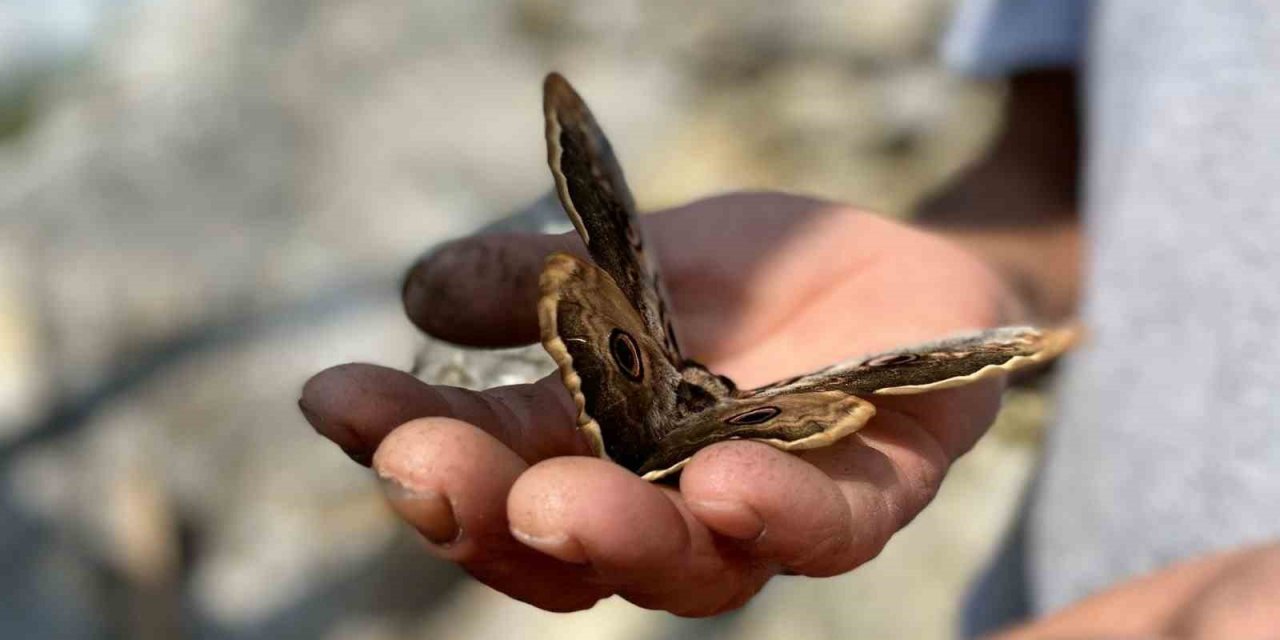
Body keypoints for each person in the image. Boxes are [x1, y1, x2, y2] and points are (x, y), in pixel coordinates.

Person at [299, 0, 1280, 636]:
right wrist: (981, 272)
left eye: (716, 391)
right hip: (1056, 586)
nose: (710, 388)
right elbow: (1059, 169)